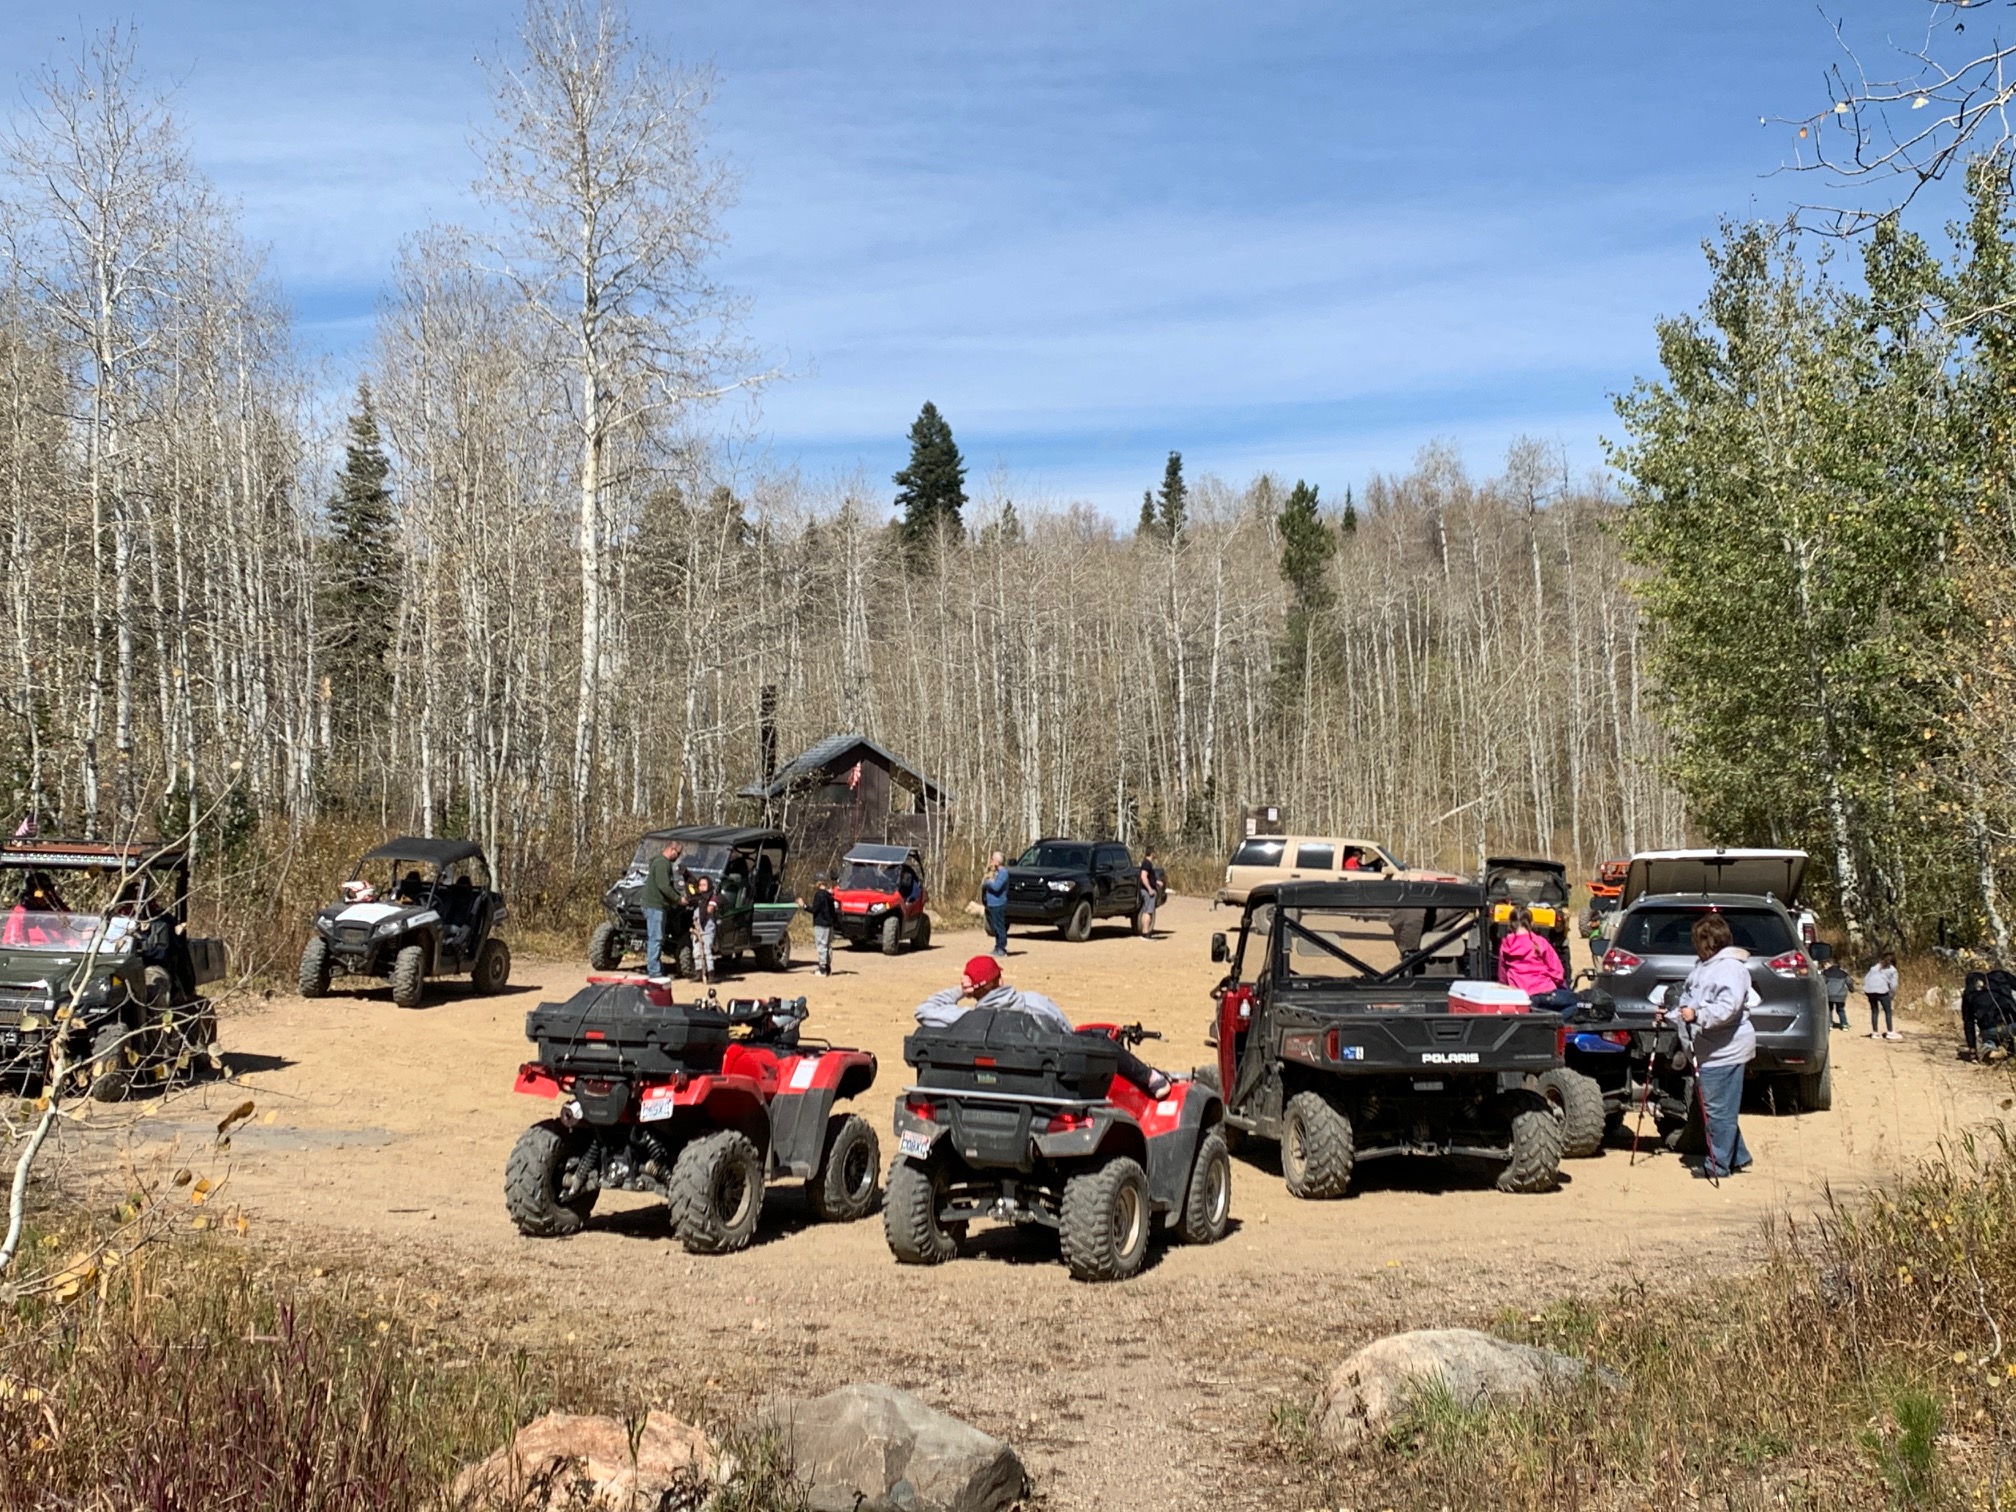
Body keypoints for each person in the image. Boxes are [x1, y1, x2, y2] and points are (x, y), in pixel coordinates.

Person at [914, 955, 1173, 1099]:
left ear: (972, 990)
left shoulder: (964, 1019)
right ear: (1001, 980)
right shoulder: (1035, 1003)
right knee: (1099, 1041)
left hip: (989, 1086)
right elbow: (1066, 1032)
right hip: (1045, 1086)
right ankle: (1149, 1077)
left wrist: (959, 991)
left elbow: (924, 1010)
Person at [1664, 912, 1755, 1180]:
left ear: (1706, 942)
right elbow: (1690, 1003)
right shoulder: (1704, 967)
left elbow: (1728, 1007)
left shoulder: (1730, 968)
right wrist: (1669, 1014)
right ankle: (1738, 1156)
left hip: (1725, 1050)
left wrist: (1699, 1016)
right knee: (1718, 1107)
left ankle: (1718, 1165)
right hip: (1707, 1049)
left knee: (1716, 1110)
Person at [1497, 905, 1565, 998]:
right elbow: (1557, 972)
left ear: (1510, 923)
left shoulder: (1506, 946)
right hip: (1544, 991)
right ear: (1532, 923)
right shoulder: (1539, 942)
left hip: (1519, 996)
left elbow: (1502, 975)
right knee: (1576, 1004)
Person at [638, 840, 683, 980]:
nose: (678, 857)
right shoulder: (663, 863)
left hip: (655, 905)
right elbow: (664, 886)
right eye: (679, 853)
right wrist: (678, 899)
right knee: (656, 938)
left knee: (656, 937)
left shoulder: (658, 862)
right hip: (655, 906)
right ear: (672, 849)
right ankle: (654, 971)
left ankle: (655, 967)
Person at [806, 870, 839, 977]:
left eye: (815, 882)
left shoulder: (819, 895)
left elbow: (815, 910)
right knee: (828, 946)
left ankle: (822, 969)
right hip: (829, 925)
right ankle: (828, 968)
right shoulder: (830, 896)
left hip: (821, 924)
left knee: (821, 946)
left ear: (819, 883)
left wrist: (804, 907)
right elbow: (833, 912)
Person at [1865, 950, 1901, 1040]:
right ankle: (1890, 1032)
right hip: (1882, 991)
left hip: (1870, 990)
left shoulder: (1874, 967)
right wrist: (1891, 995)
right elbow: (1894, 985)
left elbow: (1866, 978)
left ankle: (1875, 1033)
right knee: (1888, 1011)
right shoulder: (1892, 970)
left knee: (1874, 1011)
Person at [981, 851, 1010, 957]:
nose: (991, 861)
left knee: (1000, 926)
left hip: (999, 903)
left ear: (997, 861)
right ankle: (997, 947)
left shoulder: (1003, 873)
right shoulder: (995, 872)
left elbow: (996, 887)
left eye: (992, 859)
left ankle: (1002, 948)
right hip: (992, 903)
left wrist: (988, 881)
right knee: (994, 927)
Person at [691, 874, 719, 980]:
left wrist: (705, 902)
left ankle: (710, 973)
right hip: (697, 929)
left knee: (707, 951)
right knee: (696, 951)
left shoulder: (712, 897)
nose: (702, 887)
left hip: (707, 929)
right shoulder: (697, 899)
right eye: (700, 885)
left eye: (704, 885)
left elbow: (710, 909)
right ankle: (699, 971)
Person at [1137, 847, 1160, 939]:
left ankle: (1144, 932)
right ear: (1151, 853)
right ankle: (1146, 933)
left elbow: (1148, 877)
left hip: (1145, 890)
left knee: (1145, 910)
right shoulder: (1147, 864)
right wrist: (1150, 889)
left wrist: (1156, 882)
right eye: (1154, 852)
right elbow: (1143, 877)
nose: (1155, 854)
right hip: (1147, 891)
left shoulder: (1146, 863)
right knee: (1148, 912)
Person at [1822, 957, 1850, 1031]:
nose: (1825, 966)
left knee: (1829, 1009)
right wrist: (1852, 989)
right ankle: (1844, 1025)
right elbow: (1849, 982)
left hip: (1829, 994)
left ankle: (1830, 1024)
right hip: (1841, 995)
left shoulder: (1825, 973)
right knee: (1840, 1009)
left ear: (1829, 964)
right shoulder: (1844, 973)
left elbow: (1822, 982)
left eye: (1825, 964)